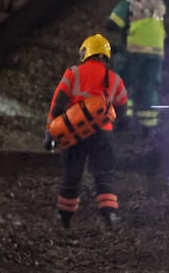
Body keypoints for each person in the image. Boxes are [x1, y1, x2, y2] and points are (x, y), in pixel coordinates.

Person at [46, 33, 128, 228]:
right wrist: (115, 125)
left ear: (86, 52)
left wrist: (50, 131)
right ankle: (109, 214)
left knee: (72, 173)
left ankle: (64, 217)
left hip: (74, 134)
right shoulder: (114, 79)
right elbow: (122, 108)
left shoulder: (73, 73)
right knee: (103, 173)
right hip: (102, 134)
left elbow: (57, 104)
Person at [107, 0, 166, 133]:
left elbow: (114, 23)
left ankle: (122, 119)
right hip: (157, 52)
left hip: (135, 49)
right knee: (148, 87)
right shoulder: (157, 2)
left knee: (123, 83)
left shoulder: (131, 0)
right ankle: (149, 126)